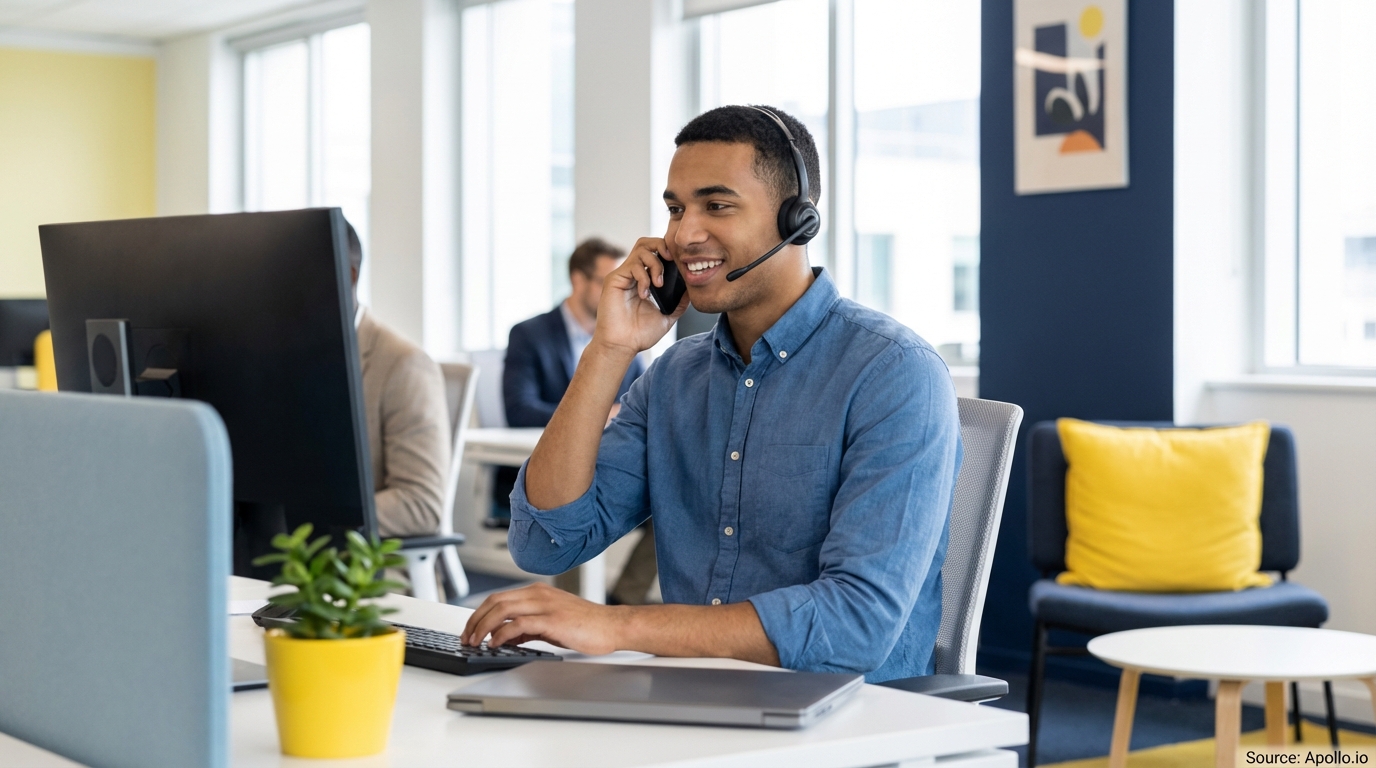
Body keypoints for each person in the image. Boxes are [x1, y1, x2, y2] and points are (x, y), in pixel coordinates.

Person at [462, 105, 961, 683]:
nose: (682, 235)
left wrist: (617, 627)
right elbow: (544, 542)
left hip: (851, 718)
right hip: (698, 699)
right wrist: (609, 350)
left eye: (716, 206)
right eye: (676, 209)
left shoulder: (895, 374)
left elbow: (854, 624)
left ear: (797, 220)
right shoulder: (674, 378)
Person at [502, 238, 654, 603]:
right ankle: (572, 607)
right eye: (609, 281)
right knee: (568, 500)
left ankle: (622, 603)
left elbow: (640, 409)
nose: (621, 291)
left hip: (608, 460)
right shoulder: (530, 334)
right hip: (537, 464)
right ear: (578, 280)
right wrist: (589, 414)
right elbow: (519, 409)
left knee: (674, 509)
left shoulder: (626, 337)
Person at [347, 223, 451, 540]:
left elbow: (420, 502)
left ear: (348, 276)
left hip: (361, 567)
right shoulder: (278, 358)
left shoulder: (402, 365)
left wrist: (313, 527)